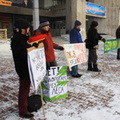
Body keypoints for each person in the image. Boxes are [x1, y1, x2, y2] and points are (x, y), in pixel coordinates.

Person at [11, 19, 37, 119]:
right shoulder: (17, 39)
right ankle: (23, 110)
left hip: (26, 67)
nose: (28, 30)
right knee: (24, 89)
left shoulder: (21, 38)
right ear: (21, 29)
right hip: (23, 68)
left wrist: (31, 46)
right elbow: (22, 54)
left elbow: (25, 48)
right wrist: (32, 49)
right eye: (26, 29)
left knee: (26, 88)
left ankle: (25, 105)